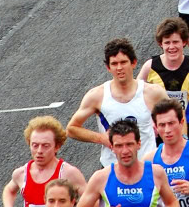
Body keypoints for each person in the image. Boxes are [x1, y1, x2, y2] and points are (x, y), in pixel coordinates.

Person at [66, 38, 158, 166]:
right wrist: (101, 138)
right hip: (111, 169)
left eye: (123, 62)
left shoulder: (152, 92)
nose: (119, 68)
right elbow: (71, 128)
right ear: (108, 67)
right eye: (114, 64)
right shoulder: (97, 95)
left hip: (147, 167)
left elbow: (177, 118)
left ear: (133, 63)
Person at [138, 17, 189, 141]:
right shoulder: (150, 66)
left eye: (176, 42)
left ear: (184, 42)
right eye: (167, 42)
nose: (172, 47)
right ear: (160, 44)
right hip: (161, 128)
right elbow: (137, 96)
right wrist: (149, 120)